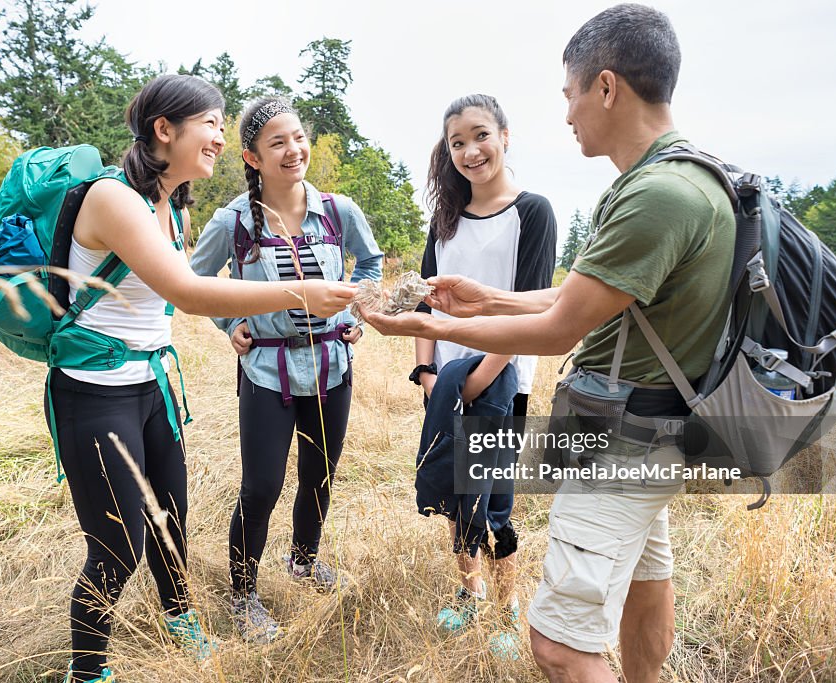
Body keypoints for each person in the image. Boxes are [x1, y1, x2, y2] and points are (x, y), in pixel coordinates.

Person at [362, 5, 735, 682]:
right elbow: (581, 301)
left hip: (624, 435)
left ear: (606, 87)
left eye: (569, 94)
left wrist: (433, 326)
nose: (566, 114)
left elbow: (562, 327)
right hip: (655, 426)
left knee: (560, 645)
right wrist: (487, 299)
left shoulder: (656, 195)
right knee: (647, 578)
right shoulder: (683, 176)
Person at [48, 75, 356, 683]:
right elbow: (188, 291)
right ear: (165, 131)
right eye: (210, 123)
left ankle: (180, 616)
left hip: (153, 385)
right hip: (95, 391)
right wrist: (301, 293)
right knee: (118, 545)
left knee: (171, 518)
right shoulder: (113, 198)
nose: (219, 136)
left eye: (221, 124)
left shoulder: (172, 205)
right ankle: (88, 671)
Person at [189, 96, 383, 644]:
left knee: (318, 475)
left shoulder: (338, 212)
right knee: (262, 486)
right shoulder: (232, 221)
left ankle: (302, 561)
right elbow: (195, 284)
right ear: (251, 157)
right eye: (277, 142)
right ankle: (244, 593)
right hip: (267, 371)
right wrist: (231, 326)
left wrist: (354, 314)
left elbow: (369, 264)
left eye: (297, 137)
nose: (293, 150)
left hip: (331, 365)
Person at [411, 94, 555, 658]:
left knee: (496, 496)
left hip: (505, 380)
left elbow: (530, 309)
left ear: (505, 136)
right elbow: (426, 302)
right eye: (457, 143)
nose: (470, 151)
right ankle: (469, 590)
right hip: (445, 380)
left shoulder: (533, 211)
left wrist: (480, 377)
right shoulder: (444, 218)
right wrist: (427, 370)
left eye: (480, 136)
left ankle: (505, 606)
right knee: (454, 488)